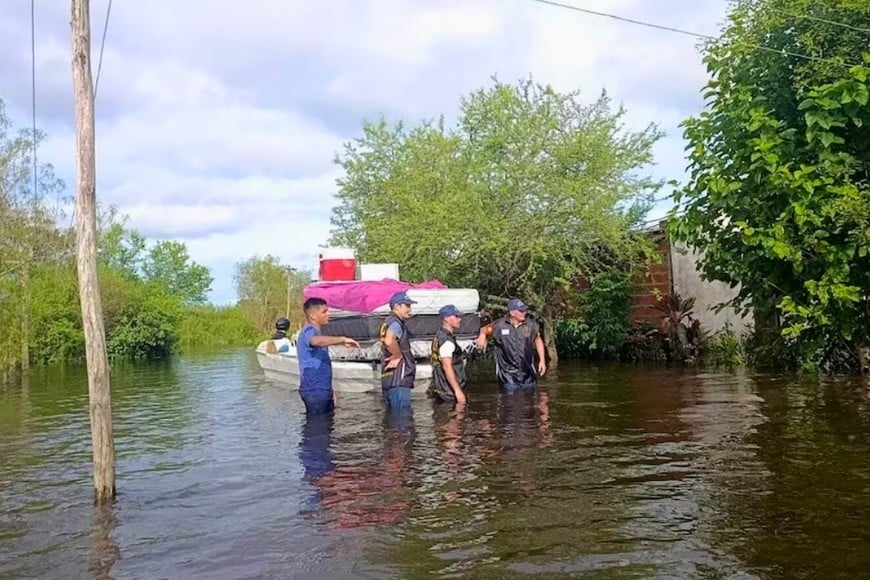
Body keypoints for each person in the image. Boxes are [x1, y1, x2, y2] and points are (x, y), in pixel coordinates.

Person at [296, 297, 361, 416]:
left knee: (325, 427)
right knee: (317, 429)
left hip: (322, 389)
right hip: (314, 390)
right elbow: (315, 341)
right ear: (313, 316)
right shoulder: (309, 330)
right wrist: (342, 339)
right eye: (324, 311)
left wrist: (330, 391)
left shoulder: (317, 332)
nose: (329, 314)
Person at [475, 298, 546, 389]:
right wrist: (482, 335)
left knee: (529, 401)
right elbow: (484, 329)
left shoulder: (531, 325)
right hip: (507, 377)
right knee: (509, 401)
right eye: (521, 311)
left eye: (524, 310)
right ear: (512, 313)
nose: (524, 312)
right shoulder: (499, 325)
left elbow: (538, 339)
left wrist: (542, 360)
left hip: (528, 375)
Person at [379, 291, 417, 410]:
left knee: (391, 422)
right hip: (399, 379)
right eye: (407, 306)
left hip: (388, 378)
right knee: (402, 420)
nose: (410, 309)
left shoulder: (387, 322)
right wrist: (398, 355)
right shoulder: (396, 323)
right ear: (397, 306)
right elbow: (389, 340)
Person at [427, 304, 468, 405]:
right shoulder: (447, 341)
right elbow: (447, 367)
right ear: (446, 319)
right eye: (456, 316)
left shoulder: (438, 335)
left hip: (440, 387)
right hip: (448, 391)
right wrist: (457, 391)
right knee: (454, 419)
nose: (460, 319)